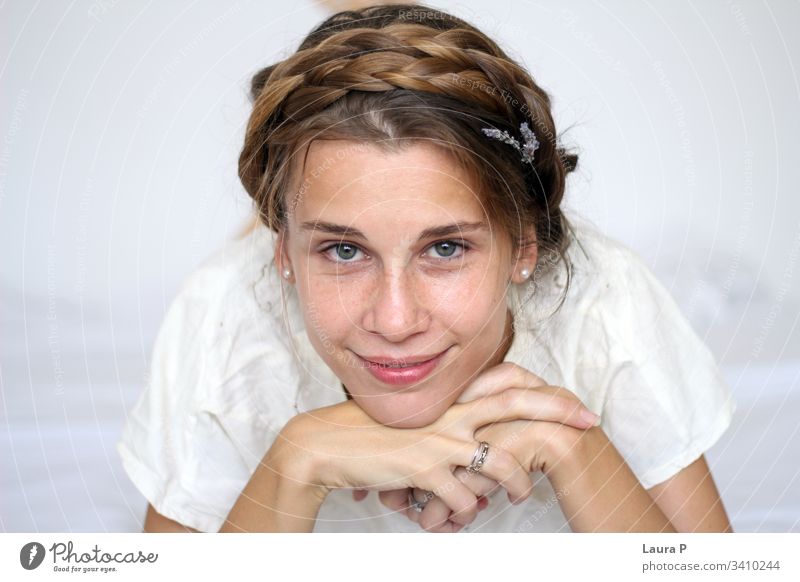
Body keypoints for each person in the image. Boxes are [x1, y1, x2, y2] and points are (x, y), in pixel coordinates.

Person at [116, 3, 736, 533]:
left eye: (445, 249)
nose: (394, 320)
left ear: (524, 247)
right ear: (281, 252)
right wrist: (297, 460)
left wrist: (573, 448)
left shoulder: (604, 300)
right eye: (343, 250)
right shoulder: (225, 313)